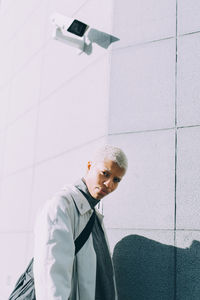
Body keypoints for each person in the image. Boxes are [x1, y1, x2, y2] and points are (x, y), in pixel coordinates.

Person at [33, 144, 128, 300]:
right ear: (90, 166)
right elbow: (52, 278)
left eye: (116, 180)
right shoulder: (61, 206)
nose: (109, 184)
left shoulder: (94, 216)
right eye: (105, 173)